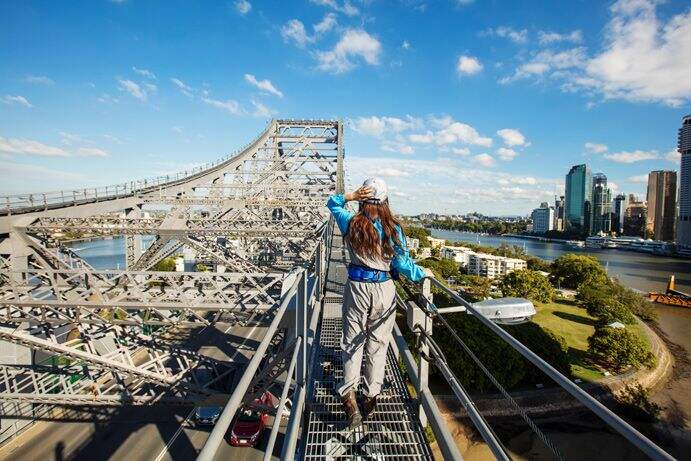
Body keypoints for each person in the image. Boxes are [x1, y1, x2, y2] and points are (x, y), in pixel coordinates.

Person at [326, 177, 432, 428]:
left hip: (356, 287)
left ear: (364, 200)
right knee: (378, 344)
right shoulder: (393, 228)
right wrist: (422, 274)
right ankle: (370, 396)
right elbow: (402, 264)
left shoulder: (350, 222)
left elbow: (332, 203)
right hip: (384, 289)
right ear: (385, 200)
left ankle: (349, 397)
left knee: (352, 341)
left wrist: (351, 196)